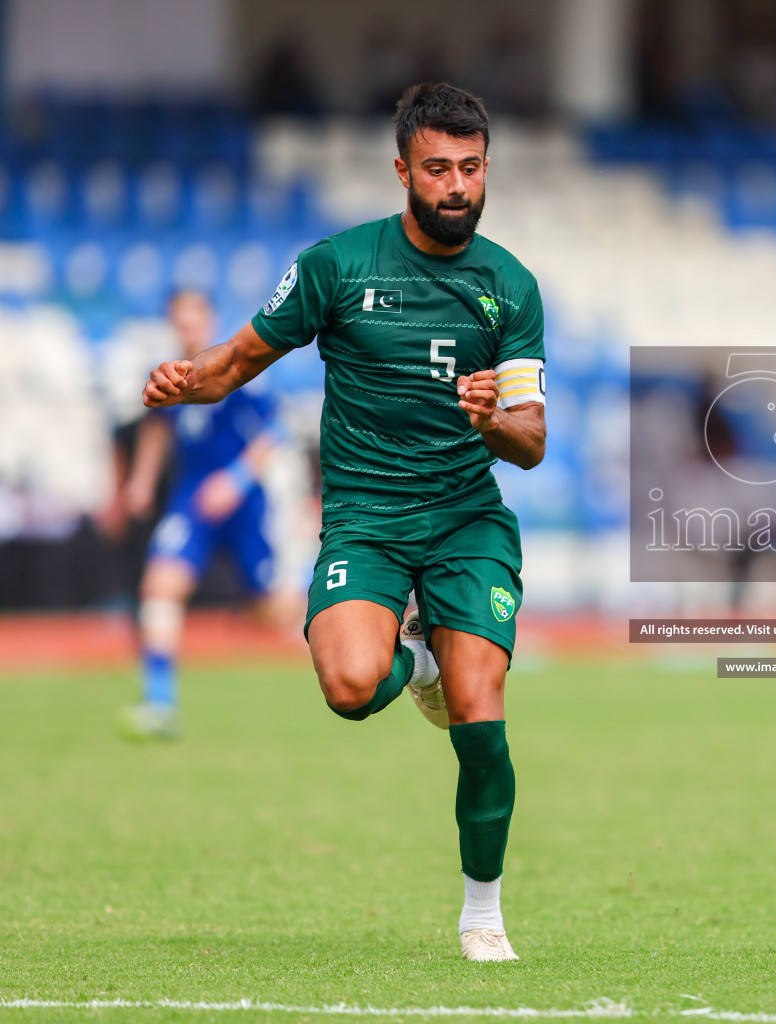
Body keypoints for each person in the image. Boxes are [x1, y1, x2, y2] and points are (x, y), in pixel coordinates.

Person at [140, 82, 547, 963]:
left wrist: (492, 420)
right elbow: (239, 358)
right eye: (437, 168)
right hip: (364, 519)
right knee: (351, 687)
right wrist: (189, 380)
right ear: (402, 169)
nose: (456, 187)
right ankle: (419, 657)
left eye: (471, 169)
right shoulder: (338, 266)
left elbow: (533, 442)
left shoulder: (510, 286)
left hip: (465, 520)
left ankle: (483, 913)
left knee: (480, 716)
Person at [119, 290, 292, 741]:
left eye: (194, 316)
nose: (187, 325)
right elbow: (157, 428)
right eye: (179, 318)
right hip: (191, 499)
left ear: (209, 319)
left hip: (242, 501)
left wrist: (234, 480)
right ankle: (159, 704)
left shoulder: (239, 366)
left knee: (270, 610)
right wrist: (141, 479)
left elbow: (273, 431)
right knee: (160, 586)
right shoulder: (165, 373)